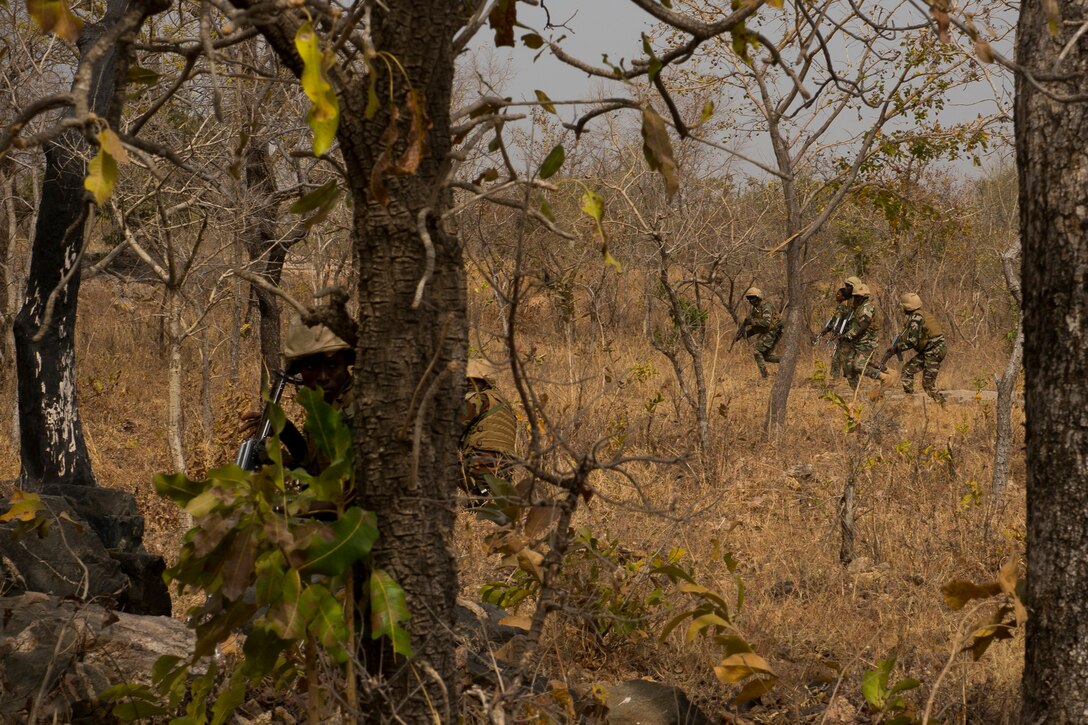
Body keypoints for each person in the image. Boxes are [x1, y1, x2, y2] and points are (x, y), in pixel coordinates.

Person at [241, 320, 355, 475]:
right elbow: (315, 465)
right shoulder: (322, 407)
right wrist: (286, 431)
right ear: (300, 371)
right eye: (311, 367)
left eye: (333, 365)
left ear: (346, 364)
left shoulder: (356, 407)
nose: (322, 377)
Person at [459, 359, 518, 499]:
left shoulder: (480, 399)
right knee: (494, 500)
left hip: (483, 462)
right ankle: (482, 497)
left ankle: (475, 496)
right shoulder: (504, 403)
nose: (467, 385)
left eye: (470, 381)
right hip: (506, 465)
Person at [886, 292, 947, 403]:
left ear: (907, 307)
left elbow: (912, 341)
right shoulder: (920, 315)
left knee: (928, 385)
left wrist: (897, 349)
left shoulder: (916, 318)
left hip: (934, 352)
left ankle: (943, 406)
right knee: (907, 370)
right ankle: (909, 400)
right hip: (929, 351)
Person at [840, 282, 886, 389]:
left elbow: (862, 326)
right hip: (857, 341)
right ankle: (856, 392)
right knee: (847, 365)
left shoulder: (867, 308)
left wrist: (847, 335)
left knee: (859, 366)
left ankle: (883, 377)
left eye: (858, 297)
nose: (856, 298)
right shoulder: (857, 307)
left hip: (867, 342)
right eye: (855, 296)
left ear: (865, 297)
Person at [737, 287, 782, 379]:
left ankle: (765, 376)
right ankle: (786, 361)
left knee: (757, 352)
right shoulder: (756, 308)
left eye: (752, 298)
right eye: (749, 298)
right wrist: (745, 334)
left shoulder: (765, 306)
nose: (751, 300)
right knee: (765, 356)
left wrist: (751, 322)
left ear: (758, 297)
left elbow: (766, 323)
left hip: (773, 331)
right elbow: (757, 327)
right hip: (769, 331)